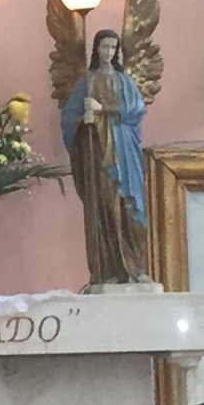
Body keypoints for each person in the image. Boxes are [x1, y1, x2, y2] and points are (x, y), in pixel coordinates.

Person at [60, 29, 149, 286]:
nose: (108, 52)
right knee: (105, 208)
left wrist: (103, 110)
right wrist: (82, 122)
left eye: (113, 48)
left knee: (130, 210)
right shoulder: (87, 81)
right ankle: (107, 271)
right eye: (104, 47)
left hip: (124, 153)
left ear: (117, 50)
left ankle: (135, 267)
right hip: (99, 156)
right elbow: (68, 118)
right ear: (96, 49)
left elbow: (136, 110)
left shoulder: (124, 82)